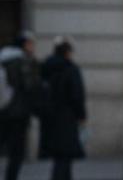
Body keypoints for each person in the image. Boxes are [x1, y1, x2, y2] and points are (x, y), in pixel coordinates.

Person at [38, 37, 86, 180]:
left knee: (59, 157)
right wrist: (81, 116)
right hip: (67, 117)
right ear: (67, 52)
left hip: (49, 117)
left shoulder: (45, 68)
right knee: (64, 157)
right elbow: (77, 95)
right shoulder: (70, 69)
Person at [0, 33, 39, 180]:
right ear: (23, 45)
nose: (33, 47)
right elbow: (29, 86)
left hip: (2, 110)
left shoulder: (3, 59)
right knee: (16, 152)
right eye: (30, 44)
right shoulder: (22, 61)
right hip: (18, 112)